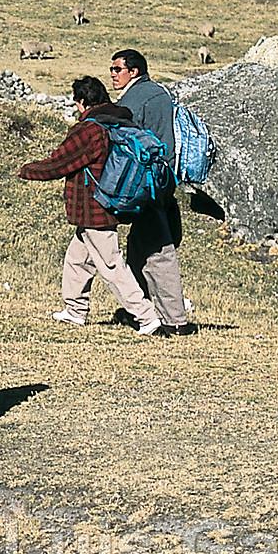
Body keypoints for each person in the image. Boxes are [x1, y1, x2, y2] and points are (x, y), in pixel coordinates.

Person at [17, 75, 163, 335]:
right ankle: (75, 311)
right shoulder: (116, 120)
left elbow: (59, 163)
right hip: (104, 204)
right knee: (78, 258)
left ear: (82, 101)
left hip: (94, 208)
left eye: (76, 101)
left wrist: (27, 171)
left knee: (111, 264)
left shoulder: (89, 130)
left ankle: (146, 316)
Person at [109, 46, 194, 336]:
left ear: (134, 71)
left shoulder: (135, 99)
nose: (112, 75)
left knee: (159, 250)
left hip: (147, 183)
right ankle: (139, 308)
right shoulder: (160, 93)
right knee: (140, 246)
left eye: (117, 69)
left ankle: (175, 320)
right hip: (163, 179)